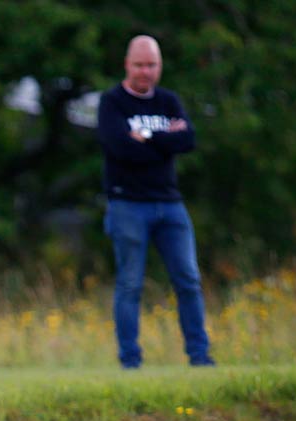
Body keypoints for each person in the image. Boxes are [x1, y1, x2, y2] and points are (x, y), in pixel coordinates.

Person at [97, 36, 213, 370]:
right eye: (139, 65)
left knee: (188, 279)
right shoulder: (112, 102)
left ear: (159, 66)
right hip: (127, 204)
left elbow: (188, 140)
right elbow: (119, 147)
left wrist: (147, 137)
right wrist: (165, 141)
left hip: (170, 204)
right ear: (126, 65)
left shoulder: (168, 100)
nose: (145, 71)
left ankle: (200, 356)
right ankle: (130, 361)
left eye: (151, 65)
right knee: (130, 283)